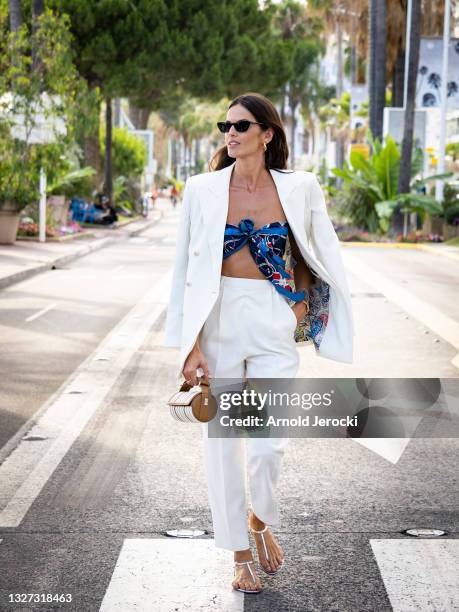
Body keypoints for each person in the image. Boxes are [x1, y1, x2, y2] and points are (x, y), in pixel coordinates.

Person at [163, 92, 355, 594]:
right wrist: (190, 345)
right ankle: (240, 555)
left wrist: (299, 308)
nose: (230, 133)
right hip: (220, 316)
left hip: (272, 317)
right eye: (225, 125)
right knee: (224, 444)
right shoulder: (202, 189)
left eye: (241, 126)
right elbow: (184, 268)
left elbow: (319, 252)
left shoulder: (302, 187)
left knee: (269, 445)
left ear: (266, 135)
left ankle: (258, 517)